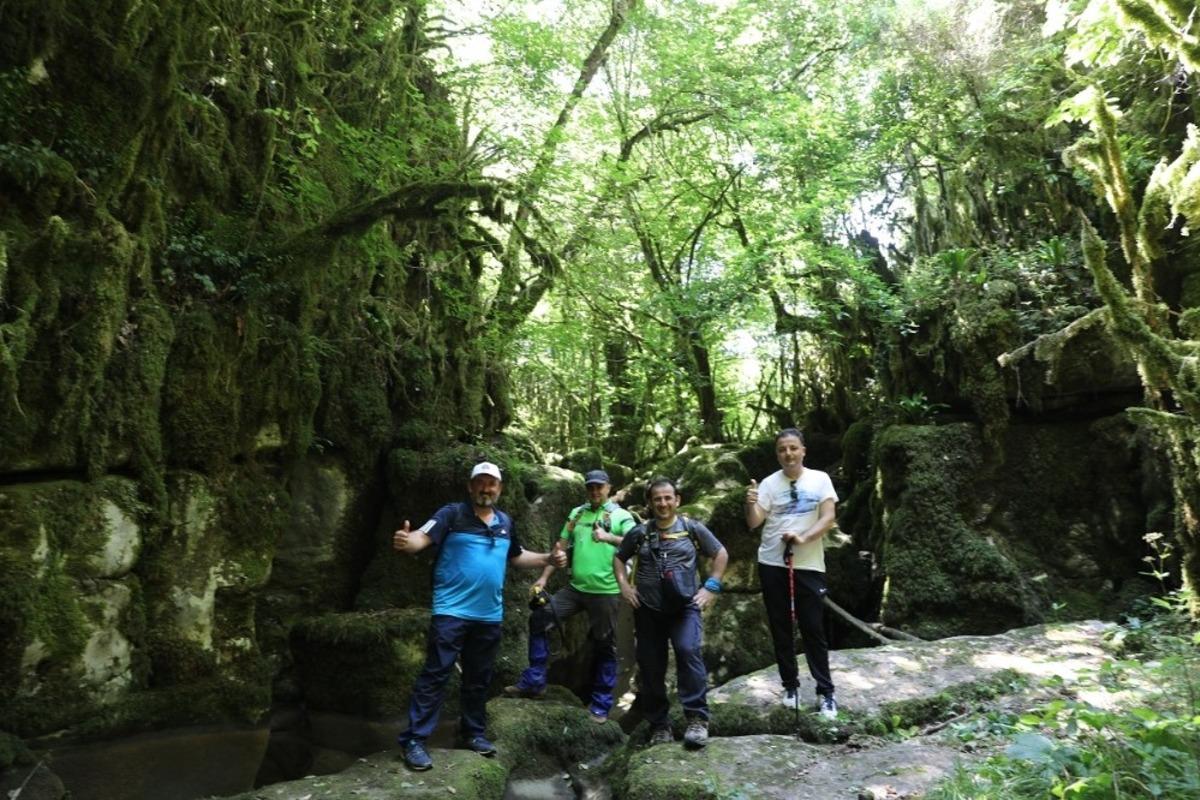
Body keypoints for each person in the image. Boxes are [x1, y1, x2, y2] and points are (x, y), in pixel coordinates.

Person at [391, 461, 568, 771]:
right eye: (481, 482)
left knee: (478, 678)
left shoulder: (505, 522)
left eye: (492, 483)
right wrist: (408, 543)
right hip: (451, 611)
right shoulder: (452, 514)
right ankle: (414, 740)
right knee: (436, 674)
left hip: (488, 615)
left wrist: (548, 558)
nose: (486, 488)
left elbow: (516, 557)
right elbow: (421, 537)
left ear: (500, 488)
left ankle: (473, 733)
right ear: (470, 486)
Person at [503, 469, 636, 724]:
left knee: (604, 646)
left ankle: (601, 704)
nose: (595, 491)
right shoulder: (577, 514)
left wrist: (608, 537)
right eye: (590, 487)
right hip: (576, 589)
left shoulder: (621, 515)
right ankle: (535, 680)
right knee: (539, 618)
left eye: (599, 487)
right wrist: (543, 578)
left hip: (606, 592)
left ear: (609, 488)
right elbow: (560, 549)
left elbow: (636, 541)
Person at [613, 477, 728, 749]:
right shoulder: (639, 532)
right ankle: (659, 725)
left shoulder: (691, 528)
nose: (663, 503)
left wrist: (711, 587)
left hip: (685, 606)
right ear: (650, 503)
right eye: (657, 499)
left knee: (688, 651)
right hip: (648, 609)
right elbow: (619, 557)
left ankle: (697, 720)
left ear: (677, 500)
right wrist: (625, 587)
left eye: (668, 498)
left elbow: (721, 553)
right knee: (651, 665)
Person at [744, 428, 840, 720]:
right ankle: (790, 685)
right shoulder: (769, 483)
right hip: (773, 562)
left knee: (813, 628)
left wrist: (803, 538)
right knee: (781, 627)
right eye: (782, 449)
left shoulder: (820, 479)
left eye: (793, 448)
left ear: (803, 451)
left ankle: (825, 692)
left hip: (808, 564)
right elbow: (754, 522)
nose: (788, 454)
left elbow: (828, 516)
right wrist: (750, 503)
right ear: (777, 454)